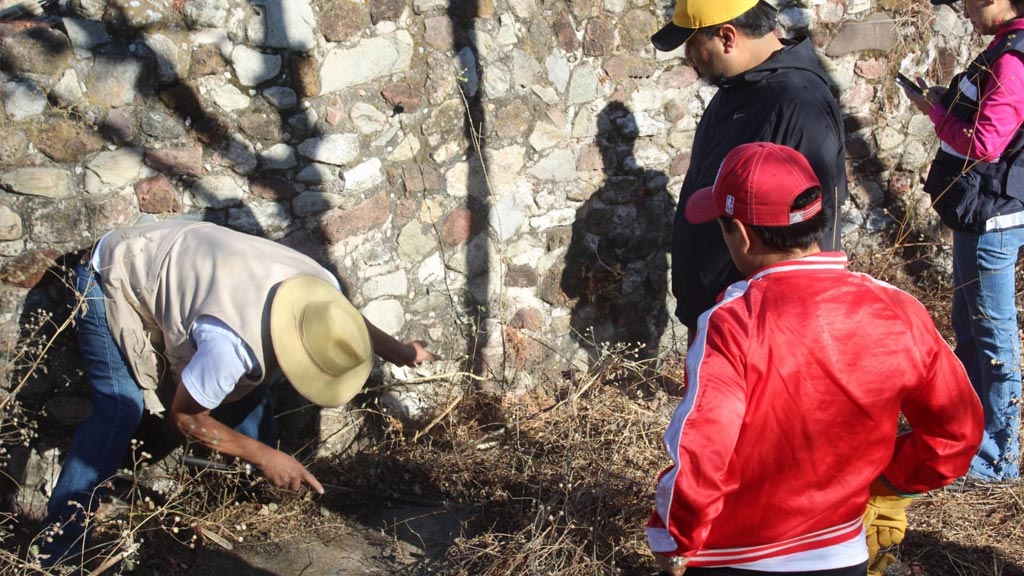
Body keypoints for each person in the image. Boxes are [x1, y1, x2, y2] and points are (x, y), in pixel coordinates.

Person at [645, 142, 983, 576]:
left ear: (741, 235)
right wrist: (886, 478)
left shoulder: (734, 320)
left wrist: (674, 538)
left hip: (735, 556)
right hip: (843, 552)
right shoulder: (898, 308)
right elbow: (958, 433)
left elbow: (703, 448)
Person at [38, 219, 437, 566]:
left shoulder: (321, 291)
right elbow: (186, 417)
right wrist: (265, 455)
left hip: (182, 258)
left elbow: (350, 324)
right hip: (114, 273)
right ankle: (59, 545)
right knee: (120, 409)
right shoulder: (231, 349)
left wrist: (403, 353)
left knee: (250, 387)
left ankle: (253, 499)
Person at [651, 0, 847, 334]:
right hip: (720, 313)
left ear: (727, 37)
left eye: (693, 45)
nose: (689, 58)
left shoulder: (797, 104)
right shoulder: (737, 90)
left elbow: (807, 234)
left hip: (758, 328)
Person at [901, 0, 1024, 482]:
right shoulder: (1002, 48)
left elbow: (988, 143)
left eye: (971, 1)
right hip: (982, 213)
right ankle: (971, 433)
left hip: (993, 217)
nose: (965, 8)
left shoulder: (1012, 59)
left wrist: (934, 112)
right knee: (970, 323)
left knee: (992, 333)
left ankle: (998, 456)